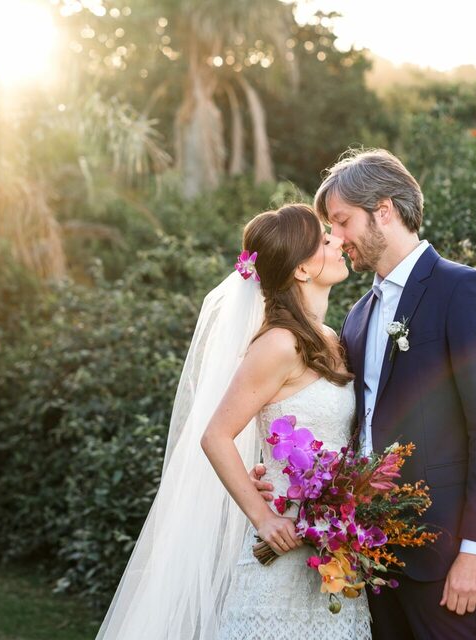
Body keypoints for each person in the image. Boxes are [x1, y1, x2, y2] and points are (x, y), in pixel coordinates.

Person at [254, 149, 476, 639]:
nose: (334, 238)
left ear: (384, 211)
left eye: (340, 221)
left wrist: (475, 551)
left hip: (444, 554)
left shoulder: (464, 291)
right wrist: (271, 471)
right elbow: (345, 421)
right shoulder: (356, 316)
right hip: (366, 555)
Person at [96, 204, 371, 639]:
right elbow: (216, 435)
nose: (337, 240)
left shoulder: (330, 339)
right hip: (283, 554)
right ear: (301, 270)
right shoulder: (278, 344)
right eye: (323, 239)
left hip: (332, 551)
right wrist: (262, 516)